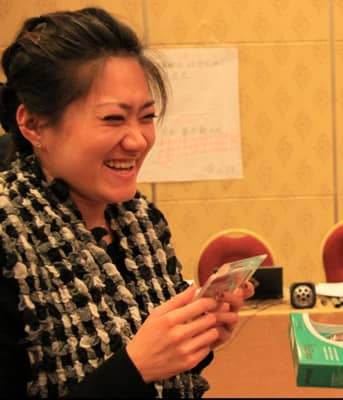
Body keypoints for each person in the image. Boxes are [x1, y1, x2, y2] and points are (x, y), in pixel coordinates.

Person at [0, 8, 253, 398]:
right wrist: (136, 367)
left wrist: (195, 336)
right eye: (113, 119)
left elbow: (154, 365)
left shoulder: (141, 221)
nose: (137, 141)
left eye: (147, 117)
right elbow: (134, 367)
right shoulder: (10, 236)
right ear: (33, 125)